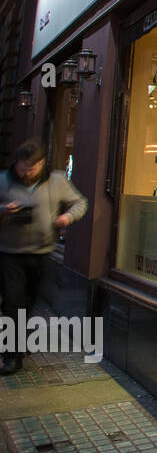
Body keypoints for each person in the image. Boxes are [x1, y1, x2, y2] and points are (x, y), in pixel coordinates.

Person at [0, 140, 88, 374]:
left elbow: (80, 203)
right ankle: (11, 356)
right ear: (15, 163)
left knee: (29, 302)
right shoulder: (3, 180)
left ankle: (17, 342)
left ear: (41, 163)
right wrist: (4, 211)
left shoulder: (57, 180)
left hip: (42, 252)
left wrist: (66, 218)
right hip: (10, 253)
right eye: (22, 167)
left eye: (32, 167)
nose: (27, 172)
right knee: (12, 302)